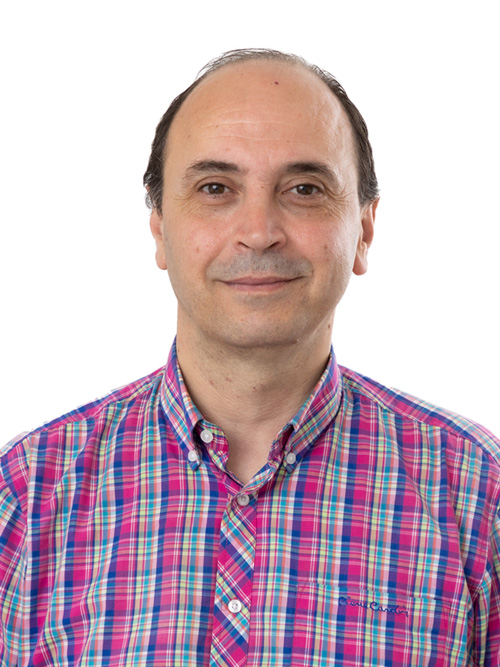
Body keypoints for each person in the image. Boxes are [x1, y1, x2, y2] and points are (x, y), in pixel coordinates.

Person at [1, 48, 499, 667]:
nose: (259, 230)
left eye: (304, 189)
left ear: (364, 230)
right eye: (216, 188)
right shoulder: (25, 497)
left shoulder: (478, 496)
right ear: (159, 229)